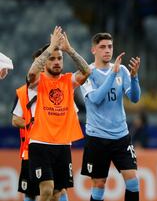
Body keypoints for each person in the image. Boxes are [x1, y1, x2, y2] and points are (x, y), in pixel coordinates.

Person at [26, 26, 91, 201]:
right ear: (45, 62)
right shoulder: (39, 82)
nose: (56, 62)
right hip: (41, 142)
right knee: (46, 190)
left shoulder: (67, 81)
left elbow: (87, 72)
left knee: (57, 193)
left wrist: (69, 50)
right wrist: (50, 47)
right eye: (52, 59)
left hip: (62, 144)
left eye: (59, 58)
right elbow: (31, 74)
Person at [80, 32, 141, 201]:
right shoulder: (87, 73)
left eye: (110, 46)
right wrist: (112, 75)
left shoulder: (121, 70)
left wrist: (134, 77)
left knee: (133, 181)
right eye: (102, 47)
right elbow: (96, 99)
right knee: (99, 184)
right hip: (97, 137)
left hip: (121, 136)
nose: (107, 50)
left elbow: (135, 98)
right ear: (93, 50)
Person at [12, 47, 71, 201]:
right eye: (37, 62)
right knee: (32, 192)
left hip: (56, 143)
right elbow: (15, 119)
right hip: (31, 148)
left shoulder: (59, 88)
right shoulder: (24, 91)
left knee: (59, 190)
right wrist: (33, 123)